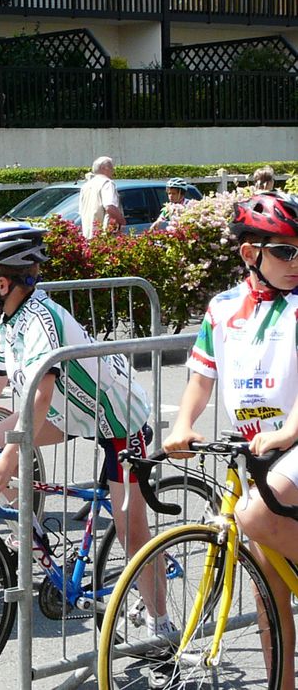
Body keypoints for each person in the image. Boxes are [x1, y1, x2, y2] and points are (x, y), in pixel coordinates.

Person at [0, 222, 167, 641]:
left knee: (132, 530)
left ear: (2, 282)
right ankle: (30, 533)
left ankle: (161, 624)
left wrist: (8, 463)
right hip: (73, 413)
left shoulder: (40, 320)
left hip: (117, 420)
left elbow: (40, 395)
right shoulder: (9, 320)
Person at [163, 192, 298, 689]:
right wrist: (182, 425)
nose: (296, 261)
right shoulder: (221, 309)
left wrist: (287, 431)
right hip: (255, 454)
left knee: (253, 517)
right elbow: (201, 378)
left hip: (293, 444)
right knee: (268, 596)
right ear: (250, 254)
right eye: (285, 251)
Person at [79, 156, 126, 239]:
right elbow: (109, 206)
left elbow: (81, 210)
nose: (113, 170)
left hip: (88, 235)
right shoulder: (107, 183)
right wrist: (122, 221)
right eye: (111, 167)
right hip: (104, 236)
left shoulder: (86, 186)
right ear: (104, 168)